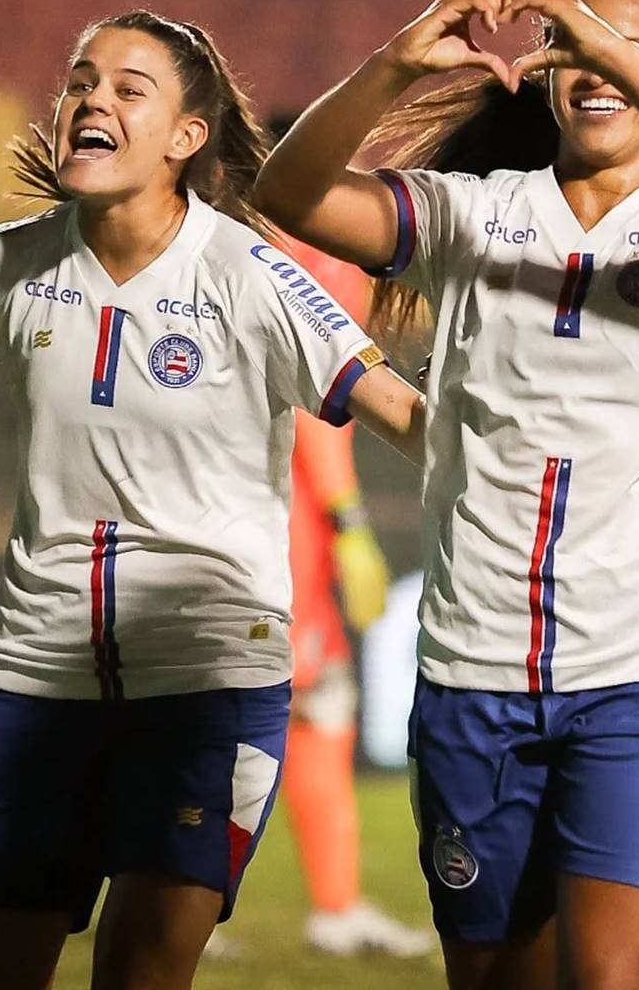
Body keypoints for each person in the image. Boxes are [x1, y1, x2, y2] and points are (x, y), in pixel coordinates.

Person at [255, 0, 639, 990]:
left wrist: (611, 47)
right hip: (475, 668)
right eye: (573, 46)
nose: (596, 66)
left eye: (633, 51)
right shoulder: (471, 214)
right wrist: (389, 68)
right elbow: (290, 192)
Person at [0, 10, 427, 990]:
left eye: (128, 88)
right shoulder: (8, 263)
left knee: (141, 974)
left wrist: (521, 446)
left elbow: (399, 408)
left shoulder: (254, 275)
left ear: (187, 138)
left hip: (206, 683)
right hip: (34, 678)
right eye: (79, 81)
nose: (91, 99)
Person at [273, 233, 434, 959]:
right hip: (282, 534)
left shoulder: (226, 251)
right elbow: (317, 408)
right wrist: (349, 523)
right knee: (301, 706)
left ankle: (334, 904)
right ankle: (163, 898)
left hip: (260, 521)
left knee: (309, 709)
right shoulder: (320, 264)